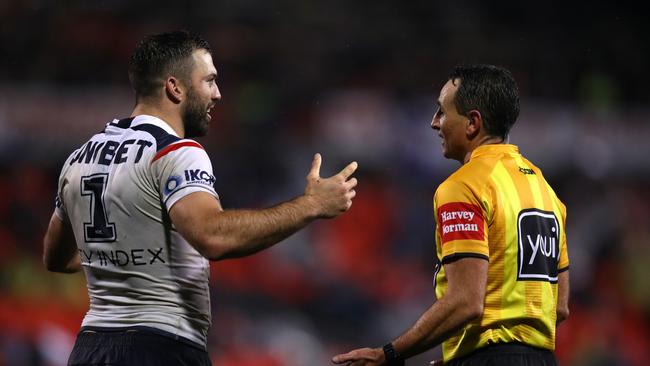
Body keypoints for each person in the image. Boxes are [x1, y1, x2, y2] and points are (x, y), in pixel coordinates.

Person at [42, 30, 358, 366]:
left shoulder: (80, 158)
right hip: (160, 347)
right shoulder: (176, 152)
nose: (218, 94)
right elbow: (213, 237)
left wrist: (121, 255)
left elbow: (56, 258)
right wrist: (311, 205)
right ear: (175, 87)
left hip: (90, 351)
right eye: (209, 81)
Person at [332, 64, 569, 366]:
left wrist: (390, 353)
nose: (434, 123)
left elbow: (466, 301)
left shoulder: (464, 186)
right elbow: (559, 308)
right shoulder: (544, 190)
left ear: (472, 122)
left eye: (442, 112)